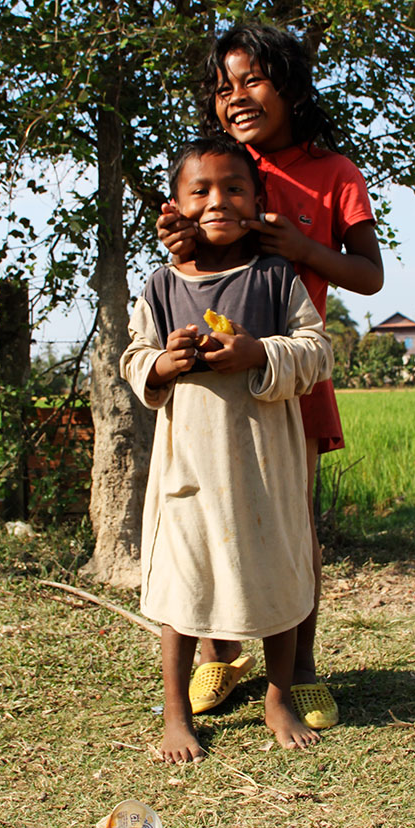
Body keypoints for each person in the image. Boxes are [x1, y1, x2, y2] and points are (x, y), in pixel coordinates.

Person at [158, 23, 384, 730]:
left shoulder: (333, 172)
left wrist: (304, 247)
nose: (236, 96)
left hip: (291, 374)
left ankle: (301, 668)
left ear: (287, 82)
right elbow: (181, 271)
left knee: (291, 530)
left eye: (252, 79)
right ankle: (221, 657)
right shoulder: (217, 172)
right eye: (223, 86)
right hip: (208, 391)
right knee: (209, 521)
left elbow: (370, 276)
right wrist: (179, 239)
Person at [121, 134, 334, 761]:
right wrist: (163, 363)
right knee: (182, 581)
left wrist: (258, 352)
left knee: (276, 568)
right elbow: (132, 357)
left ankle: (278, 695)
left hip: (264, 465)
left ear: (258, 201)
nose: (218, 200)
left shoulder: (274, 278)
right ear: (175, 207)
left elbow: (317, 348)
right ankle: (176, 711)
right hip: (186, 469)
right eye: (200, 190)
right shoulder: (161, 287)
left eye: (234, 188)